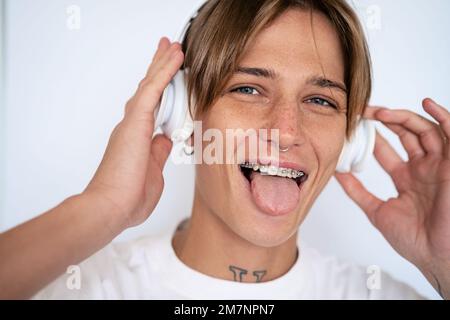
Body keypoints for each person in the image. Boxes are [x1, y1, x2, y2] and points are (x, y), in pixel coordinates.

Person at [0, 0, 449, 300]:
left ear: (350, 140)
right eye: (249, 88)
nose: (286, 130)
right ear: (184, 113)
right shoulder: (83, 288)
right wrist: (102, 208)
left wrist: (444, 264)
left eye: (320, 100)